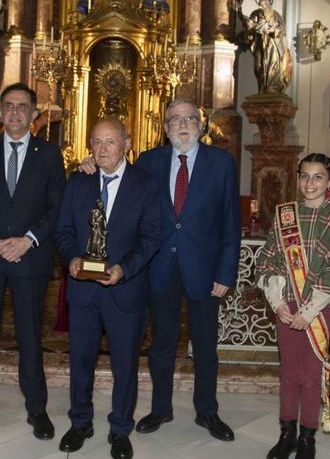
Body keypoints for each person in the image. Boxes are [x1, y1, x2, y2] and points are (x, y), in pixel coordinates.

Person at [81, 98, 241, 441]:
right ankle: (160, 408)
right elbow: (118, 180)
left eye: (189, 118)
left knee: (205, 345)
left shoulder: (222, 163)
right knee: (161, 344)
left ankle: (207, 411)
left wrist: (226, 272)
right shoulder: (149, 161)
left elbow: (231, 223)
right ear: (165, 128)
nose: (182, 124)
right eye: (174, 119)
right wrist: (89, 165)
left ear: (201, 124)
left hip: (205, 270)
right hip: (158, 268)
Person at [0, 82, 66, 440]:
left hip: (29, 259)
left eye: (22, 106)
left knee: (30, 337)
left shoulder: (49, 155)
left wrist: (28, 240)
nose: (15, 112)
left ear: (35, 114)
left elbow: (55, 207)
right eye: (8, 106)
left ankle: (37, 409)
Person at [54, 119, 160, 459]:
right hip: (83, 291)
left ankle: (120, 429)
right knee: (80, 361)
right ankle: (80, 422)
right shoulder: (79, 181)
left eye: (110, 142)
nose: (102, 149)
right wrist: (71, 259)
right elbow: (64, 230)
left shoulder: (145, 185)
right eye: (96, 142)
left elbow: (151, 237)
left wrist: (123, 269)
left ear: (126, 144)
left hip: (124, 292)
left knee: (125, 365)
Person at [256, 154, 330, 459]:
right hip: (286, 305)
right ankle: (287, 434)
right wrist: (278, 301)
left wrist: (309, 311)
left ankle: (307, 441)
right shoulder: (286, 214)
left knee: (310, 376)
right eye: (305, 176)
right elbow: (268, 259)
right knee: (289, 372)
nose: (310, 183)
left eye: (318, 177)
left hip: (320, 309)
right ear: (298, 179)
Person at [245, 0, 293, 94]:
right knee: (259, 66)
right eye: (259, 5)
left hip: (272, 45)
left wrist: (272, 31)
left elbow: (282, 28)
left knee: (273, 65)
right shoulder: (255, 14)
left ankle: (273, 87)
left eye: (262, 5)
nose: (260, 7)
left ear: (267, 4)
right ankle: (262, 87)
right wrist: (250, 27)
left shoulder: (275, 15)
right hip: (260, 45)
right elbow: (249, 30)